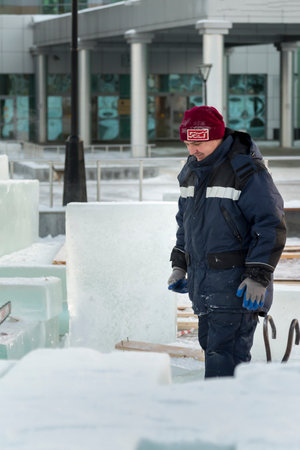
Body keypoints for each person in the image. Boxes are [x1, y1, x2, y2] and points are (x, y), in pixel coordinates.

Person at [168, 106, 286, 378]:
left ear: (217, 137)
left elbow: (271, 224)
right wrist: (180, 263)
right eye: (187, 143)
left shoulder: (245, 171)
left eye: (197, 143)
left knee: (226, 362)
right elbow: (186, 221)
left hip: (237, 288)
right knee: (213, 352)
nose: (191, 150)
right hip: (205, 287)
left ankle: (225, 417)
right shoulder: (192, 169)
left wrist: (259, 275)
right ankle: (218, 414)